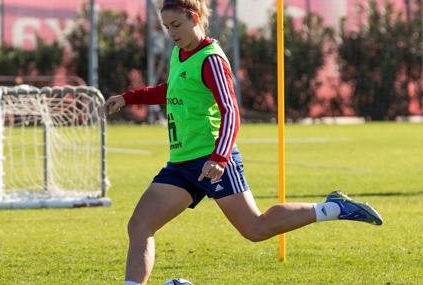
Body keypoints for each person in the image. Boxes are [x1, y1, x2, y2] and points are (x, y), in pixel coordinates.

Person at [104, 1, 383, 284]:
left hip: (211, 160)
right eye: (166, 27)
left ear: (194, 18)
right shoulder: (180, 53)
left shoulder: (211, 59)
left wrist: (220, 157)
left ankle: (334, 208)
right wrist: (129, 97)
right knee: (140, 225)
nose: (171, 33)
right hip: (180, 164)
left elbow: (231, 111)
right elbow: (173, 90)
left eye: (176, 25)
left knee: (256, 228)